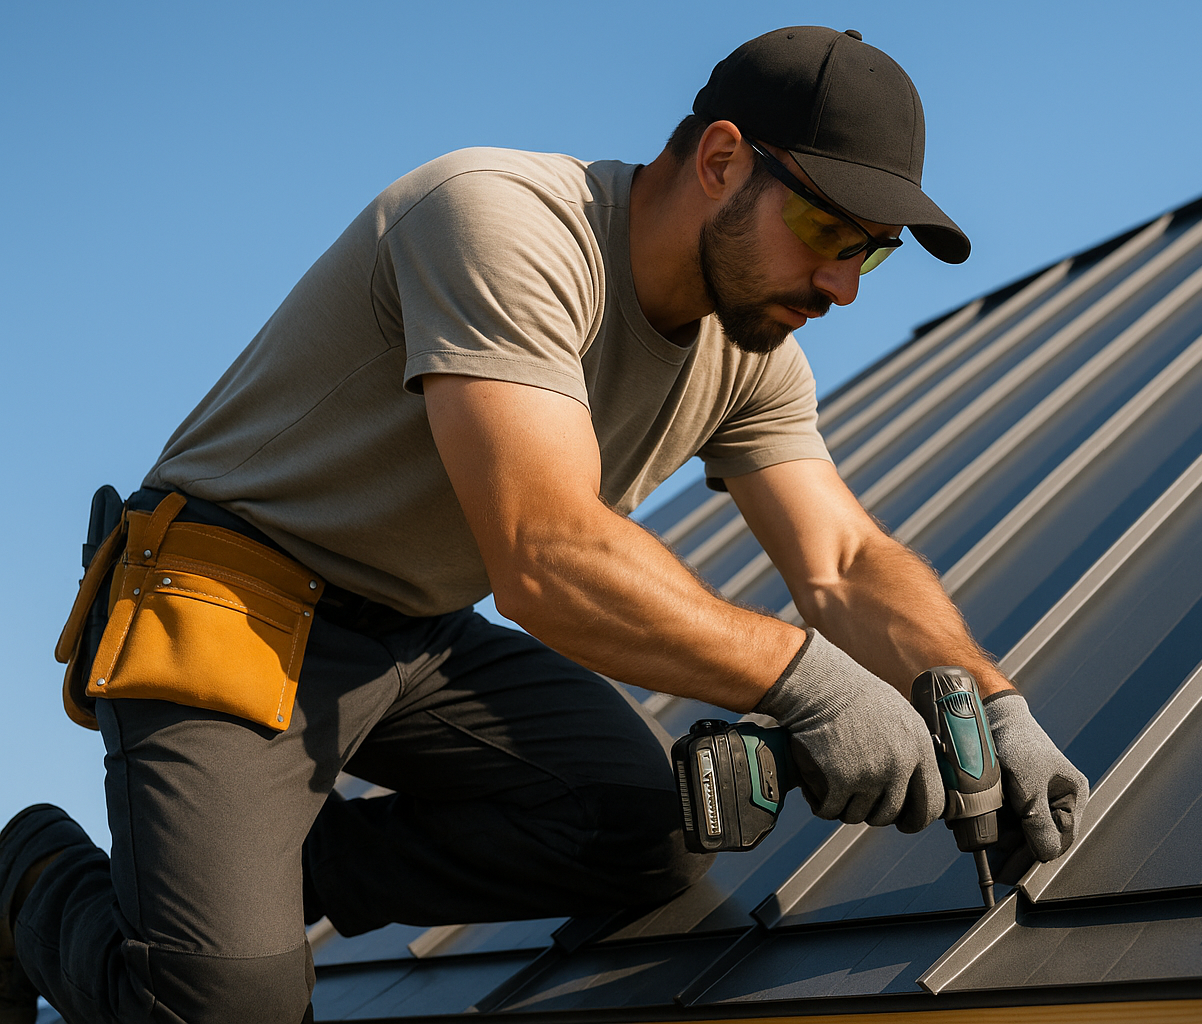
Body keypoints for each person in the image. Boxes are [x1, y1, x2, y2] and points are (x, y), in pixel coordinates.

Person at [0, 26, 1088, 1024]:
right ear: (720, 161)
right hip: (231, 596)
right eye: (826, 231)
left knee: (646, 830)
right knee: (222, 1008)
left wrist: (991, 702)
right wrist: (807, 681)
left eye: (873, 252)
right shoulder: (500, 223)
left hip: (412, 631)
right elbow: (545, 554)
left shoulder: (753, 357)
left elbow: (845, 559)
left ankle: (260, 860)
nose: (844, 285)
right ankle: (33, 878)